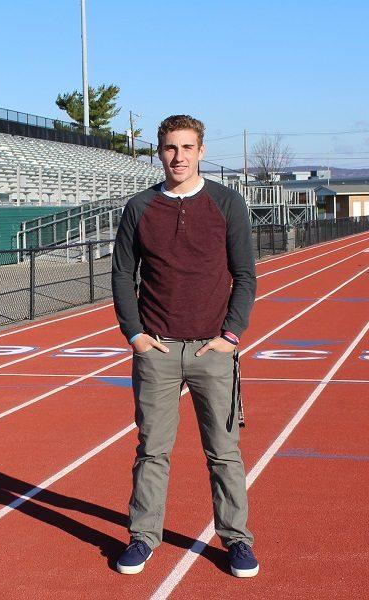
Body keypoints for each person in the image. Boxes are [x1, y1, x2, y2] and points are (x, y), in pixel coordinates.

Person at [110, 114, 259, 578]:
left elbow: (245, 275)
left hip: (211, 352)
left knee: (224, 452)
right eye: (171, 148)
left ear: (201, 150)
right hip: (157, 349)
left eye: (187, 147)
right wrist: (134, 335)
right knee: (152, 450)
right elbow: (121, 275)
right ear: (159, 152)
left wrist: (230, 336)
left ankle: (236, 540)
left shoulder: (226, 203)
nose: (179, 156)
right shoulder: (139, 207)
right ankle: (143, 536)